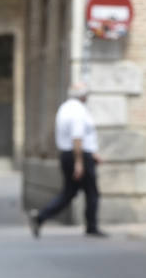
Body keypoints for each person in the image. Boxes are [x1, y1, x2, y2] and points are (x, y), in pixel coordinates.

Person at [28, 81, 105, 238]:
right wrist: (80, 162)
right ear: (83, 96)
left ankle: (41, 217)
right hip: (78, 155)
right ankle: (92, 226)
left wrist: (92, 153)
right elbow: (77, 137)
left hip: (69, 154)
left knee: (69, 193)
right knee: (92, 192)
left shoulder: (65, 108)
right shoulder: (78, 111)